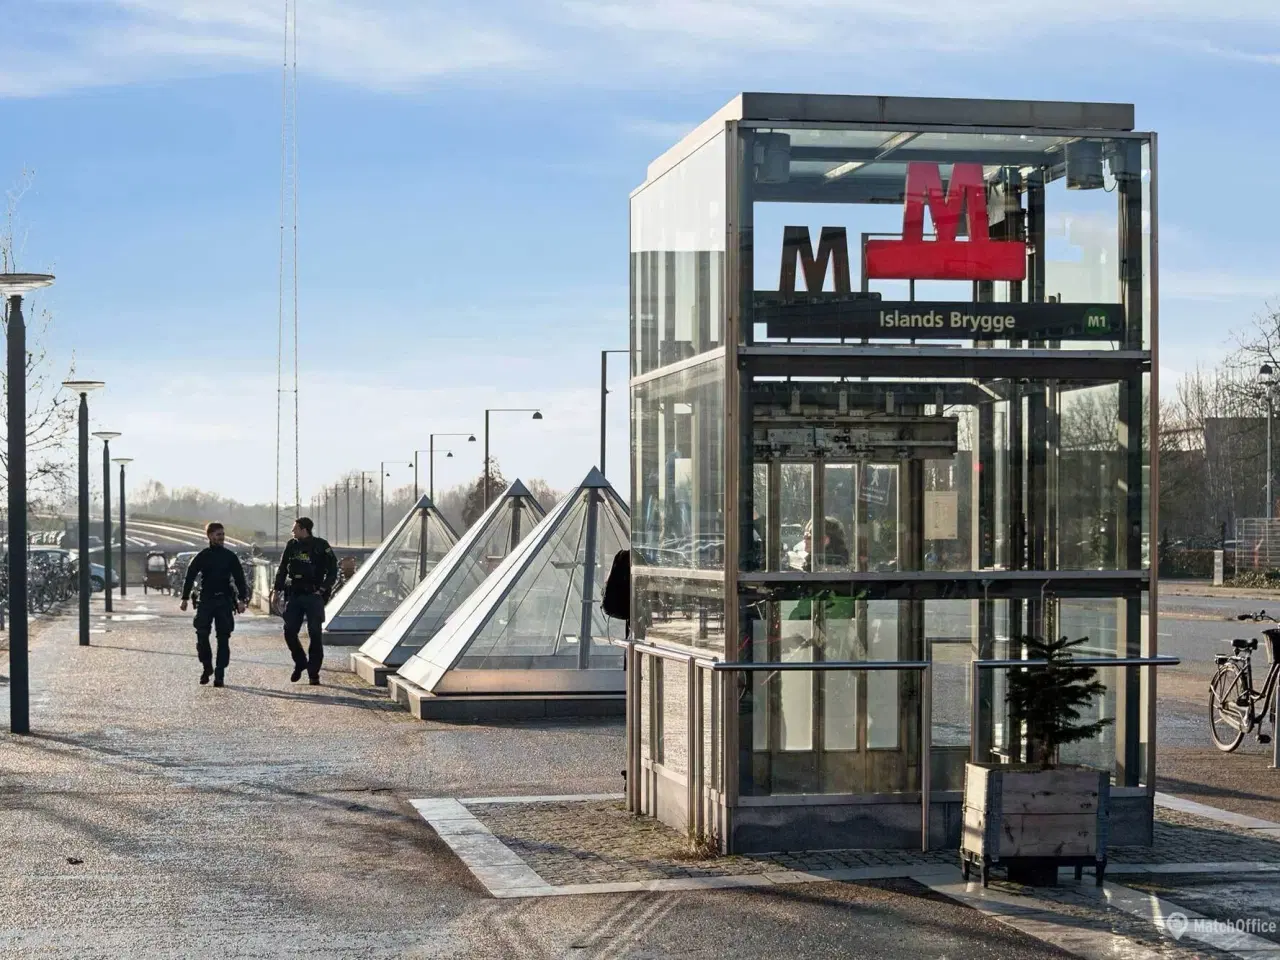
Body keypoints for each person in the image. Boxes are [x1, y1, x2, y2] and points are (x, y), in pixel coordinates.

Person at [180, 522, 249, 688]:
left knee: (223, 638)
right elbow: (190, 576)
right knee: (202, 635)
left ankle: (220, 673)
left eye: (223, 534)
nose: (221, 538)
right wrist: (184, 598)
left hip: (224, 600)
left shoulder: (230, 556)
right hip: (206, 600)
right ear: (210, 536)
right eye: (218, 535)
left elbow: (240, 579)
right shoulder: (202, 556)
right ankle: (207, 666)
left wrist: (242, 600)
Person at [270, 517, 338, 685]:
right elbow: (282, 568)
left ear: (303, 529)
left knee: (315, 634)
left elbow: (333, 570)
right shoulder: (291, 545)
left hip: (314, 595)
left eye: (295, 529)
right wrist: (276, 591)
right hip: (294, 594)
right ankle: (300, 662)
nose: (292, 532)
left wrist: (322, 589)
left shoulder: (321, 545)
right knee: (289, 631)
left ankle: (313, 673)